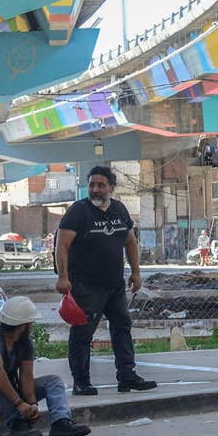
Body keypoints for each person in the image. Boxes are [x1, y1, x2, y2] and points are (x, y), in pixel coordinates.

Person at [55, 166, 156, 396]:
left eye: (101, 185)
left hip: (115, 285)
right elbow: (62, 245)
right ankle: (81, 382)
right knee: (83, 334)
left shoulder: (119, 210)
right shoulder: (78, 212)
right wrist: (63, 277)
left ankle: (127, 376)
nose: (95, 189)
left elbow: (130, 242)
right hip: (86, 286)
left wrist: (136, 272)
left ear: (111, 187)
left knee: (122, 327)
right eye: (92, 185)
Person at [0, 296, 89, 436]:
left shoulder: (24, 343)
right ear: (22, 326)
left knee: (53, 381)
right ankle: (17, 423)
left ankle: (61, 423)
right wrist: (18, 403)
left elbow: (26, 377)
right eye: (30, 323)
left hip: (5, 396)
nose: (31, 326)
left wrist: (32, 404)